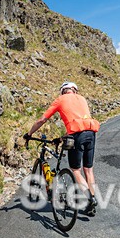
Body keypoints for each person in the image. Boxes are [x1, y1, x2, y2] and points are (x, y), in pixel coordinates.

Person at [24, 82, 100, 216]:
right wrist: (60, 139)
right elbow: (79, 123)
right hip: (91, 133)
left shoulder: (60, 100)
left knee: (76, 170)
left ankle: (90, 198)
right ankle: (91, 203)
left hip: (77, 136)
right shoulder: (82, 99)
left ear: (63, 91)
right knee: (88, 170)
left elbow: (42, 120)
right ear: (74, 91)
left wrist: (29, 134)